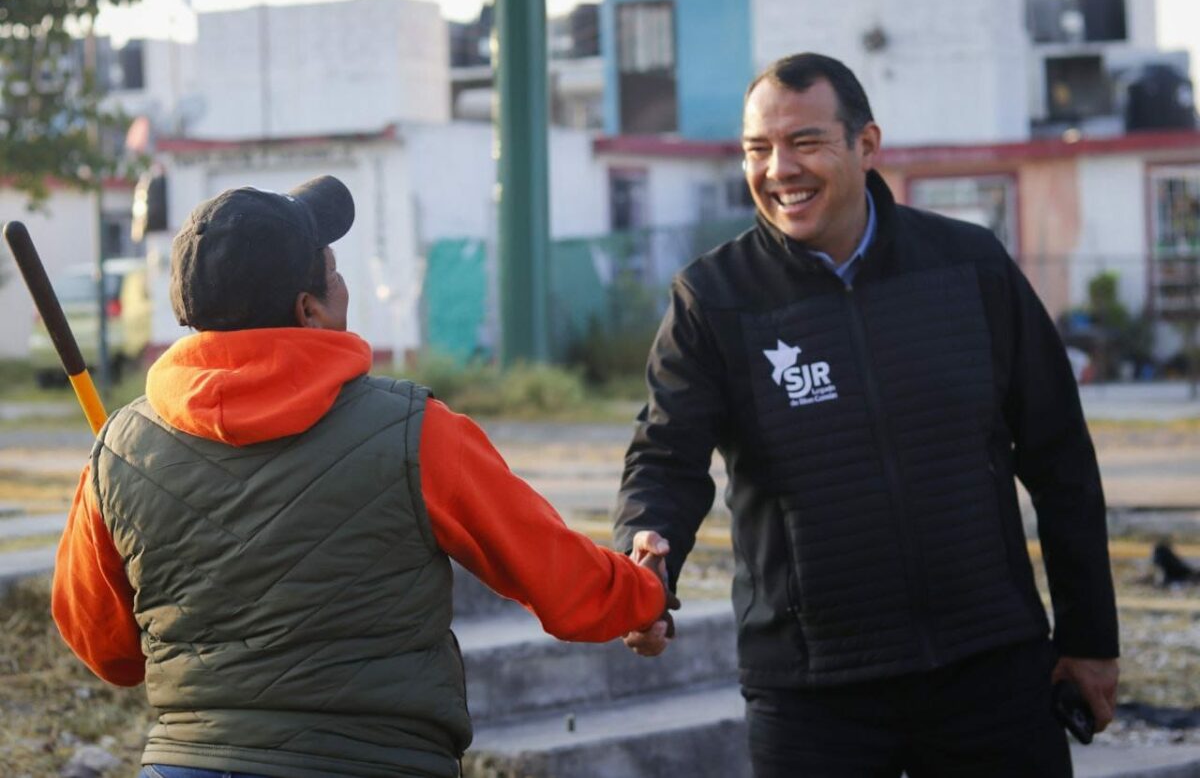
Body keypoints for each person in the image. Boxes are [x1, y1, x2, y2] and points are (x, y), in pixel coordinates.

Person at [52, 175, 676, 778]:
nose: (343, 287)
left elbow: (105, 648)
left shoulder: (121, 453)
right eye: (334, 274)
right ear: (310, 309)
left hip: (186, 764)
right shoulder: (416, 432)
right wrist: (643, 593)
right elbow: (562, 581)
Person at [615, 52, 1119, 777]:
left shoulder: (969, 267)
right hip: (814, 696)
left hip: (992, 669)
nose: (778, 169)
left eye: (806, 142)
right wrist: (647, 564)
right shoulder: (714, 298)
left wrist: (1091, 637)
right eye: (758, 149)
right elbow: (664, 457)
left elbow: (1060, 457)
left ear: (866, 145)